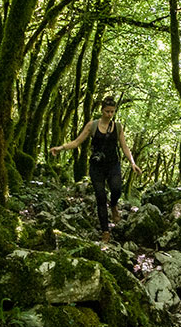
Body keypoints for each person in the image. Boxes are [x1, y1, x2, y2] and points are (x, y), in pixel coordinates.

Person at [50, 97, 141, 241]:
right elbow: (77, 142)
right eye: (107, 111)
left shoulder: (118, 127)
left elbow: (124, 146)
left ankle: (113, 205)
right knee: (100, 196)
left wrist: (132, 163)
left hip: (113, 165)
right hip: (96, 167)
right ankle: (105, 230)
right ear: (102, 110)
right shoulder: (92, 126)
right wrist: (60, 148)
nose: (110, 114)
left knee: (117, 189)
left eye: (112, 112)